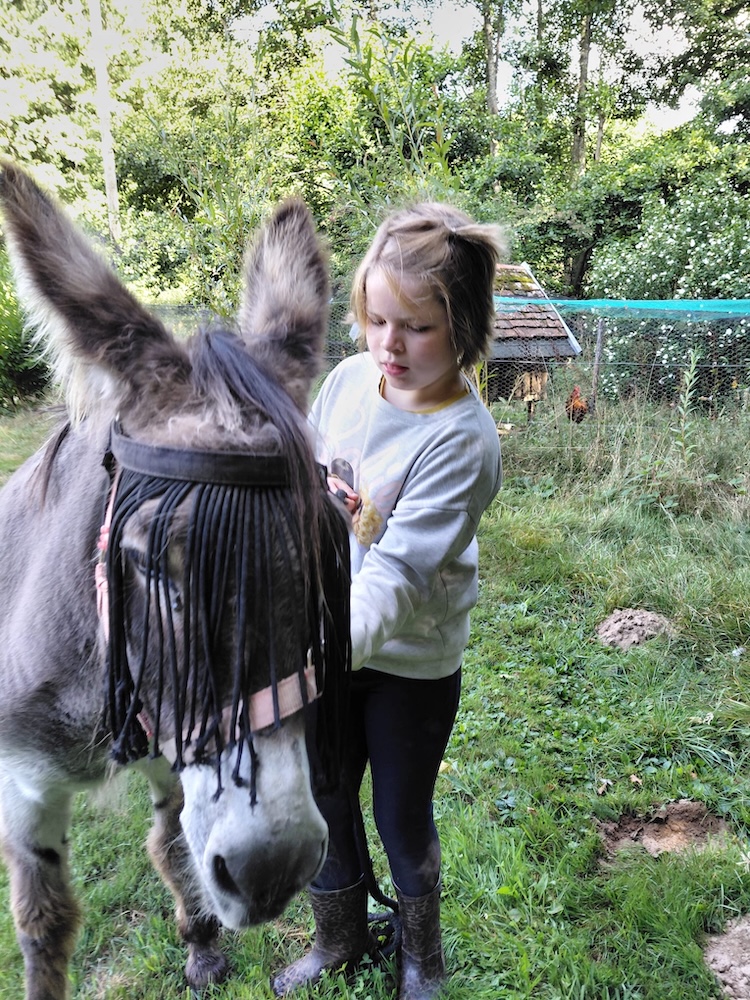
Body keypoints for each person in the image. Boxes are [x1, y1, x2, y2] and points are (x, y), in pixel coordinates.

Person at [271, 203, 504, 999]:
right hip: (327, 648)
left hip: (411, 662)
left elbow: (398, 577)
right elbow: (298, 489)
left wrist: (309, 657)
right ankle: (337, 940)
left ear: (464, 326)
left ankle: (420, 959)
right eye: (375, 320)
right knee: (326, 798)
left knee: (401, 818)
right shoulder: (344, 384)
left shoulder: (463, 442)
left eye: (416, 327)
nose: (389, 346)